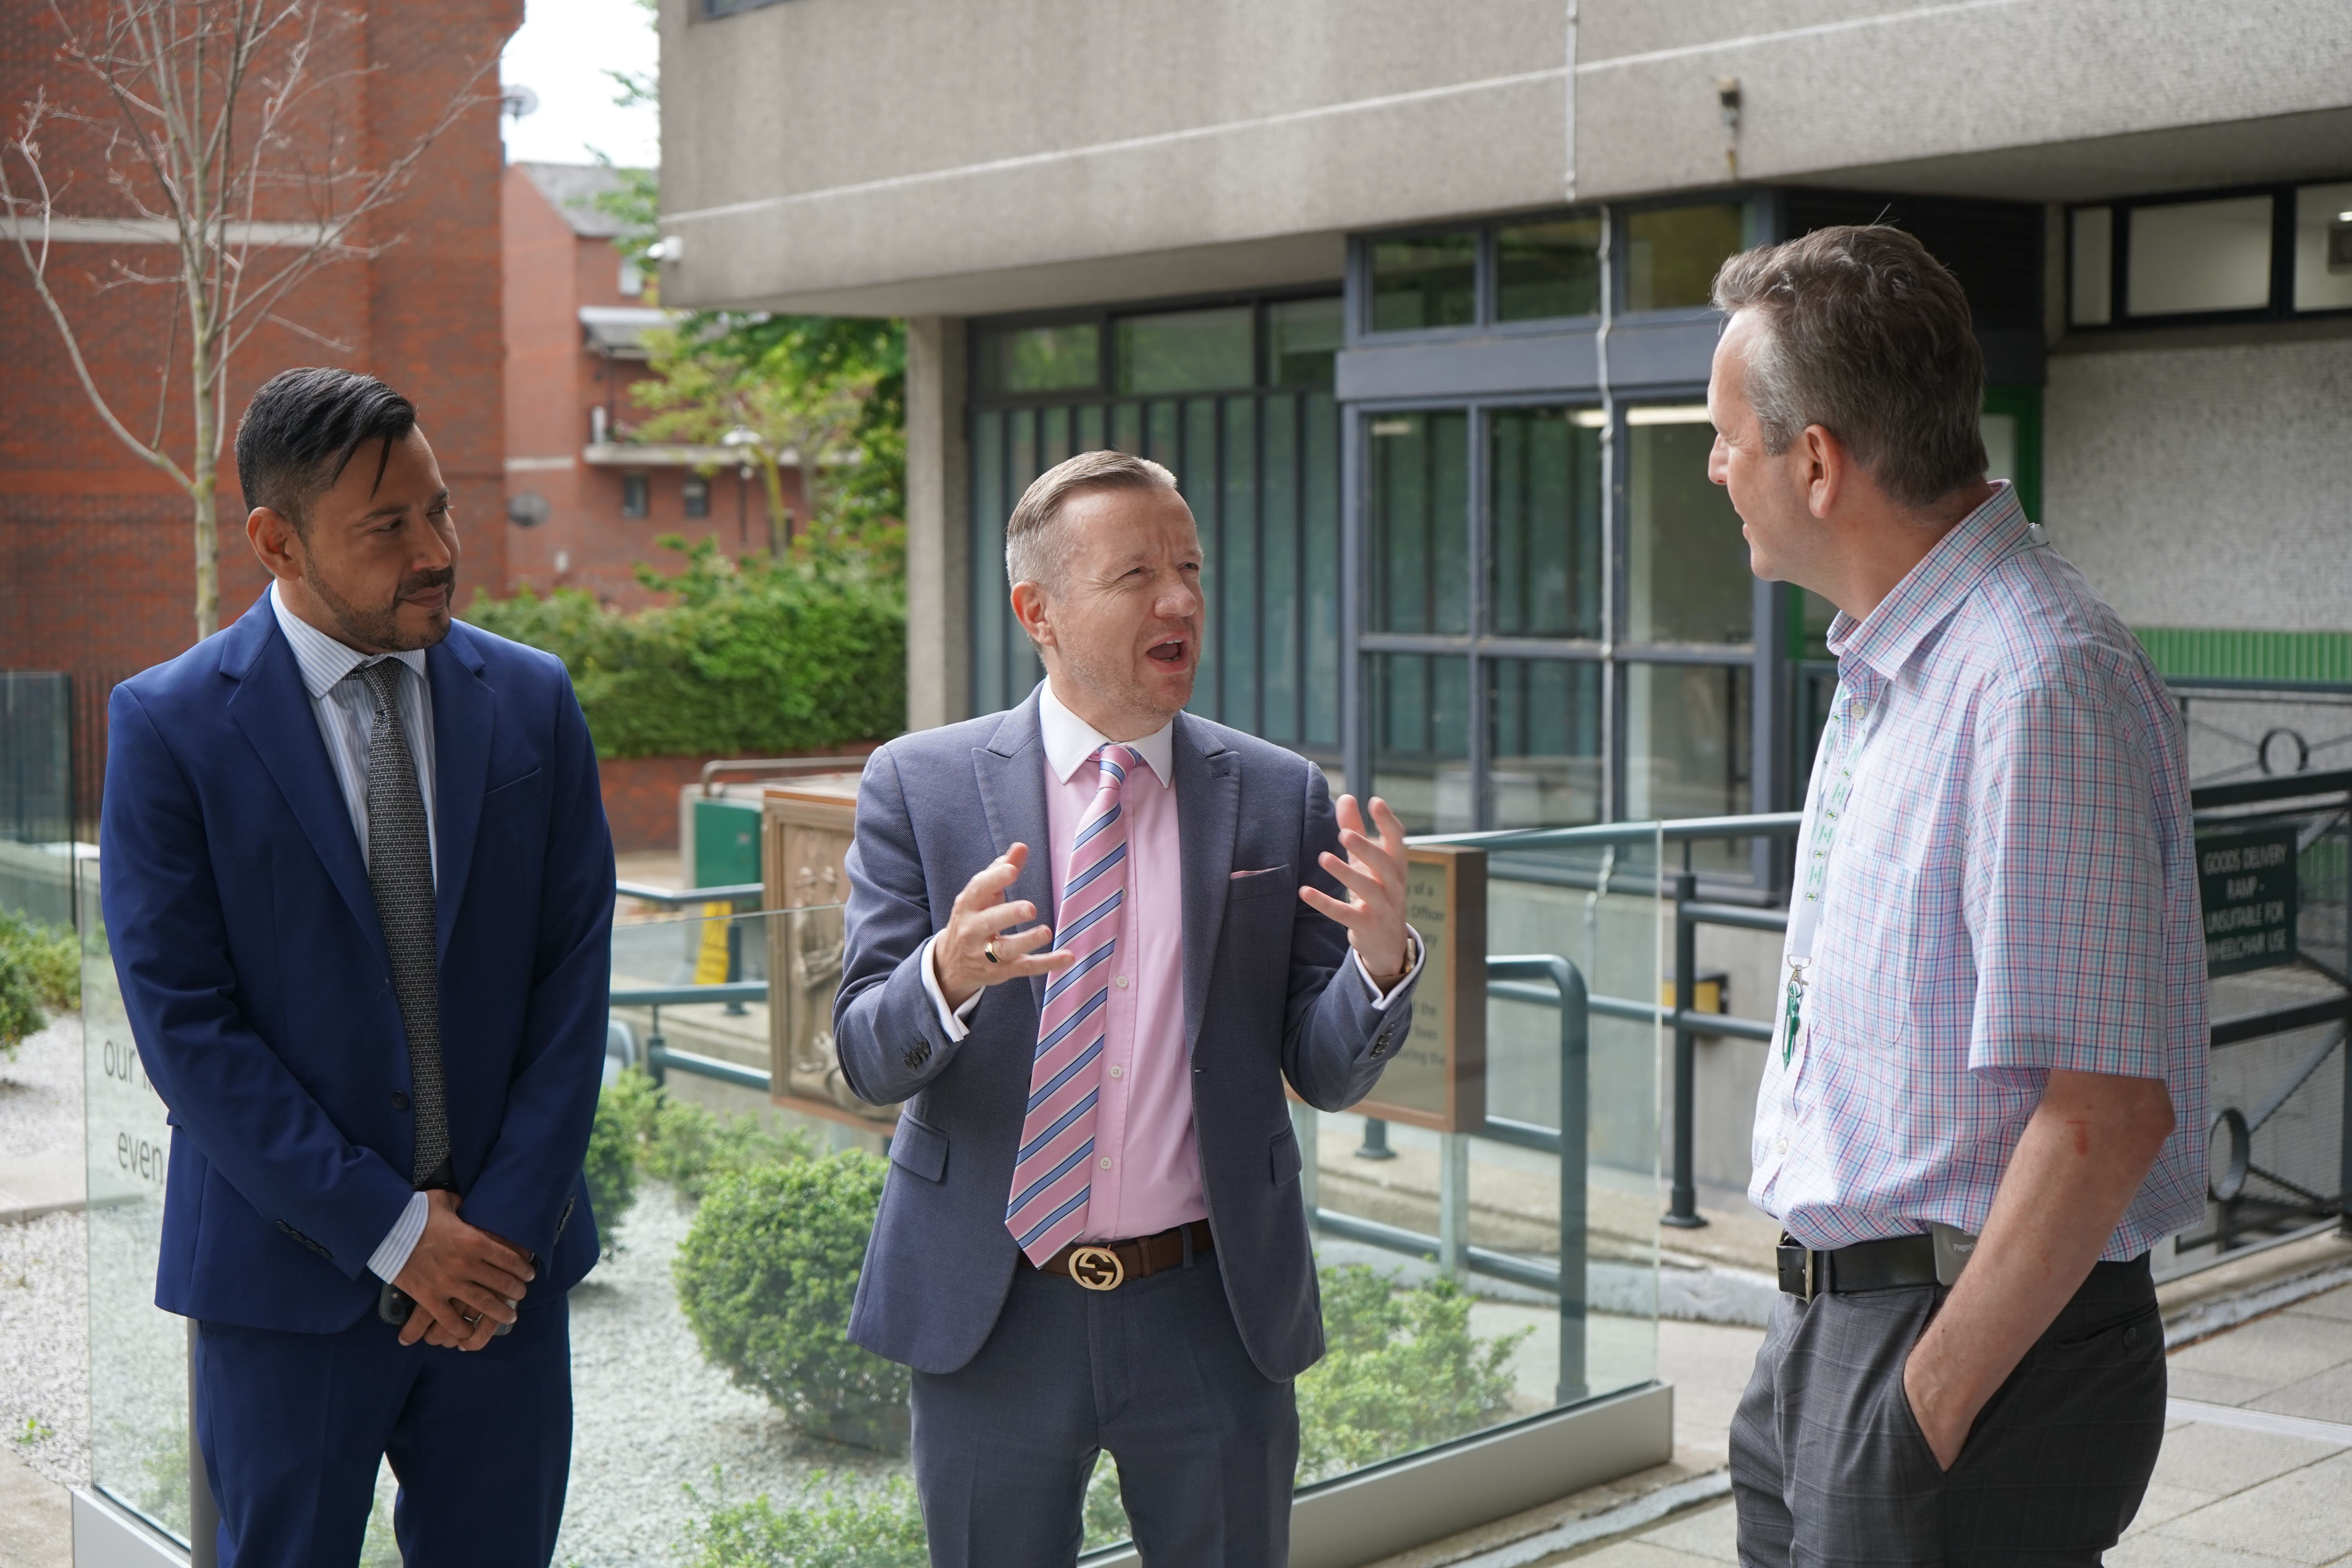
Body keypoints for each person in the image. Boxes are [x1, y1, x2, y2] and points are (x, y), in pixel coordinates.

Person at [1705, 226, 2209, 1566]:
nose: (1714, 469)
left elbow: (2103, 1118)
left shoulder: (2036, 683)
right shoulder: (1893, 668)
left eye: (1726, 439)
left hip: (1961, 1354)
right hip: (1839, 1330)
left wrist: (1927, 1403)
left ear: (1815, 461)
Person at [833, 449, 1423, 1567]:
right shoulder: (920, 784)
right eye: (1138, 573)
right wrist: (947, 978)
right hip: (992, 1308)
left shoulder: (1278, 792)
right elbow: (865, 1056)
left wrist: (1381, 963)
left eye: (1191, 566)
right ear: (1037, 611)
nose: (1182, 599)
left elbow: (1325, 1068)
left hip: (1211, 1308)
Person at [100, 368, 615, 1565]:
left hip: (505, 1286)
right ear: (276, 541)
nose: (435, 548)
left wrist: (493, 1242)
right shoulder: (171, 727)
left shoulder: (532, 703)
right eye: (388, 527)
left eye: (438, 509)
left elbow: (570, 982)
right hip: (284, 1292)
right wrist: (394, 1232)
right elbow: (187, 1029)